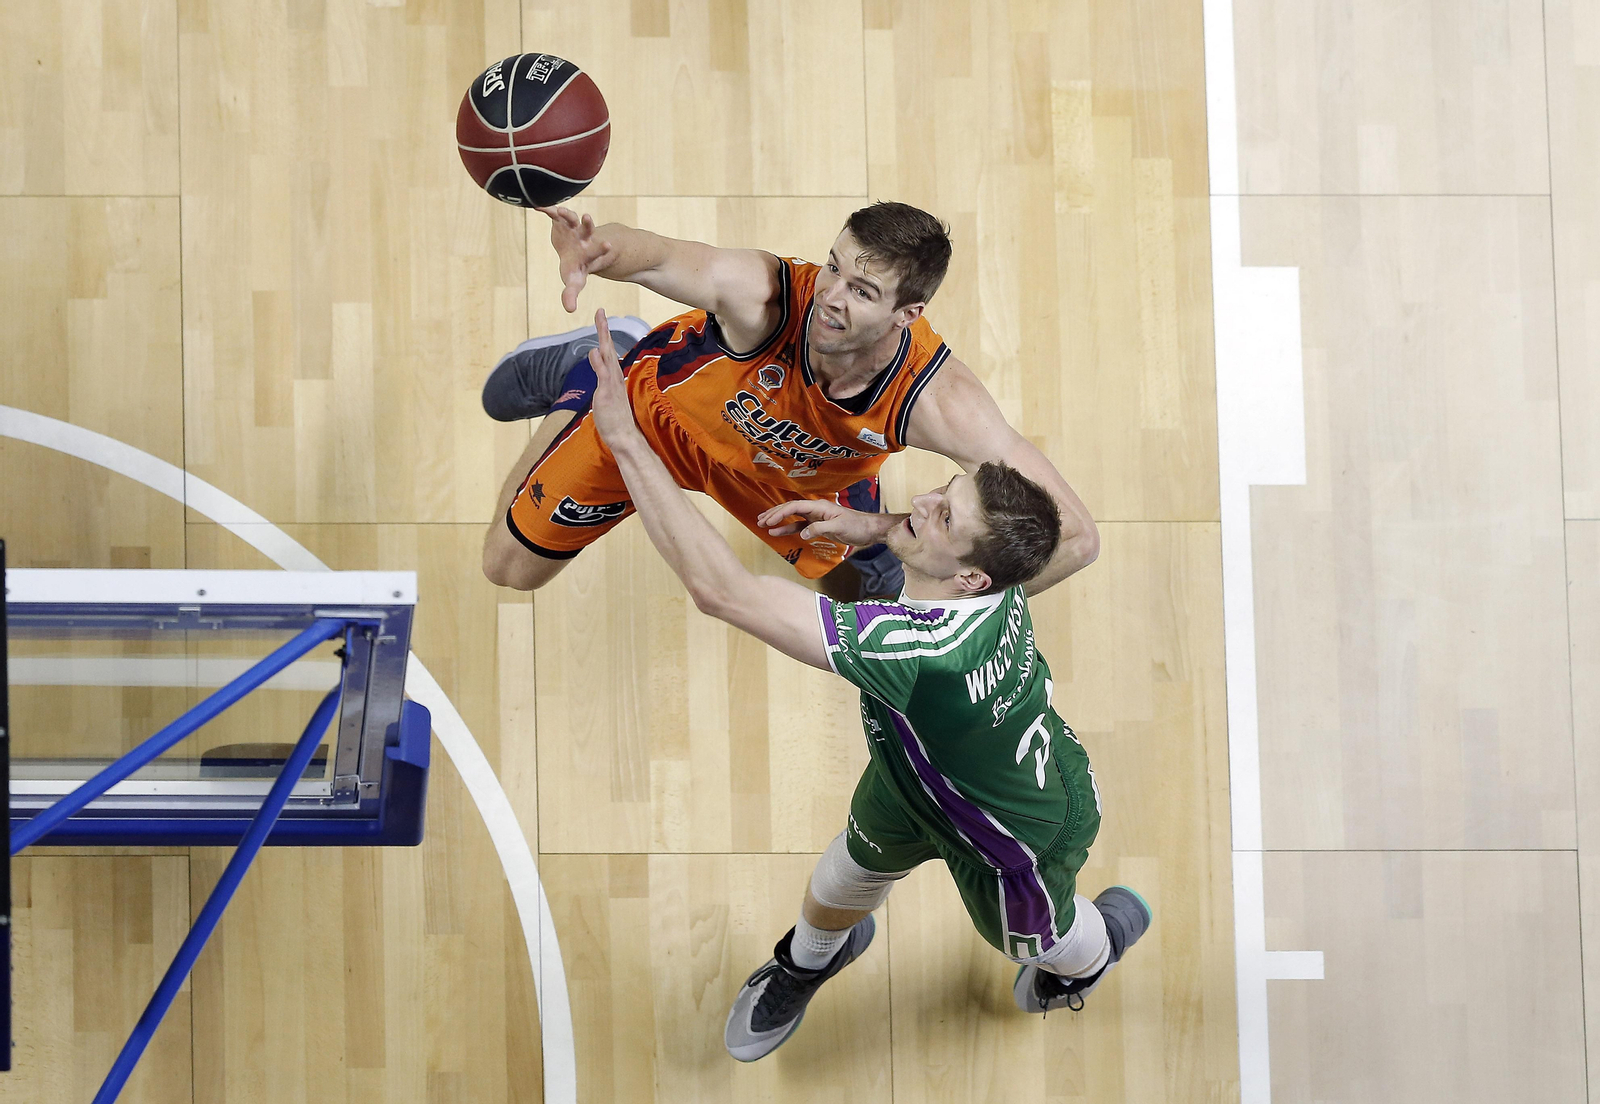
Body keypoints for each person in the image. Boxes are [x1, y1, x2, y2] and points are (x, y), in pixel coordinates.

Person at [578, 312, 1152, 1061]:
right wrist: (880, 529)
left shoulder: (916, 646)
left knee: (1042, 943)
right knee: (843, 876)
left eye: (943, 516)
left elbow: (724, 592)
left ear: (970, 578)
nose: (923, 501)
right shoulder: (1000, 573)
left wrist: (626, 441)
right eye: (943, 491)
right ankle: (808, 961)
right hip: (917, 779)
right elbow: (1078, 537)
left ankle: (1099, 947)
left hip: (1013, 840)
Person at [479, 201, 1098, 601]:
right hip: (656, 422)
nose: (829, 296)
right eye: (833, 267)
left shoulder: (938, 399)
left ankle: (876, 558)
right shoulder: (769, 298)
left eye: (861, 290)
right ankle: (588, 378)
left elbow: (1075, 538)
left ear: (907, 314)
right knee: (509, 570)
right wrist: (597, 250)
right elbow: (663, 258)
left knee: (866, 597)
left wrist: (933, 586)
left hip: (800, 485)